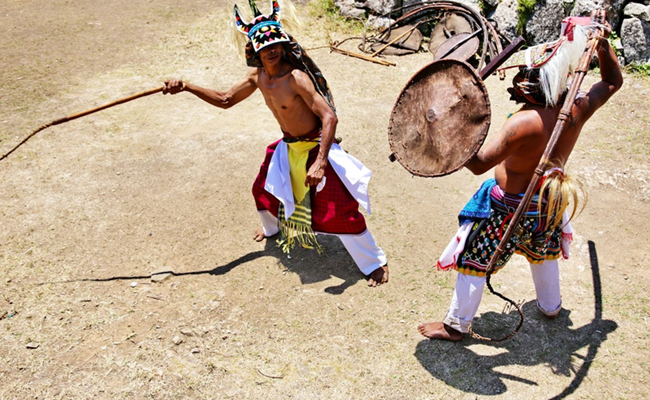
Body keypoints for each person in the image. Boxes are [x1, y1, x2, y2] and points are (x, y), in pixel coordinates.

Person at [418, 14, 623, 341]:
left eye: (522, 76)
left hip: (505, 210)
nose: (515, 82)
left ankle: (455, 325)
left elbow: (479, 164)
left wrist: (447, 130)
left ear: (535, 81)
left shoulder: (524, 122)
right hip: (547, 204)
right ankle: (551, 305)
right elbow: (612, 81)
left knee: (473, 259)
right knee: (543, 254)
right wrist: (602, 47)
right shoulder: (576, 110)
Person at [163, 0, 389, 286]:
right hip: (288, 147)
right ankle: (272, 230)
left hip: (316, 147)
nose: (272, 51)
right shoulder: (256, 77)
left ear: (283, 45)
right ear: (255, 49)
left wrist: (320, 162)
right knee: (262, 191)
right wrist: (186, 87)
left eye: (277, 45)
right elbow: (225, 100)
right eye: (266, 47)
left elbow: (329, 117)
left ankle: (375, 264)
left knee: (339, 208)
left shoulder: (295, 78)